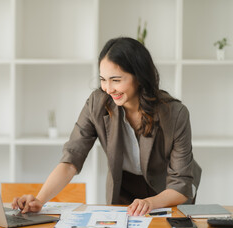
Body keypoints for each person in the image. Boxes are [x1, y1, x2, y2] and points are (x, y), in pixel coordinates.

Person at [12, 37, 202, 216]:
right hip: (124, 190)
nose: (108, 89)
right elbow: (70, 160)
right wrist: (39, 199)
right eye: (103, 79)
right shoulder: (97, 103)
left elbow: (180, 185)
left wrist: (151, 202)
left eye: (116, 80)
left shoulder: (175, 114)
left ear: (139, 77)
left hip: (168, 194)